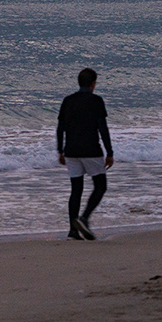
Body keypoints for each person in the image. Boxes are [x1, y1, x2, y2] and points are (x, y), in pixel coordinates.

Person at [56, 67, 114, 240]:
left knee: (76, 190)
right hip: (90, 149)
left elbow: (60, 128)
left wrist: (60, 150)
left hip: (71, 150)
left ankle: (73, 230)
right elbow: (102, 128)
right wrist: (109, 152)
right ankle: (84, 218)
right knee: (101, 186)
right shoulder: (96, 101)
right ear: (93, 84)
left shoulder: (68, 100)